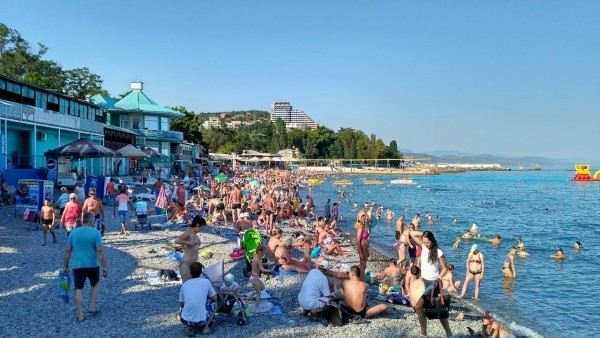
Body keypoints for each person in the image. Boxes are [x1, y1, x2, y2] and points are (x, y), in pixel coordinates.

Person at [63, 212, 108, 322]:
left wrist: (65, 266)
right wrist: (105, 266)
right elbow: (100, 251)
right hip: (92, 265)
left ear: (83, 220)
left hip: (77, 265)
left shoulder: (73, 233)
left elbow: (68, 251)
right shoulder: (95, 233)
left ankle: (80, 315)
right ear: (91, 220)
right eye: (93, 219)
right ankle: (92, 307)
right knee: (95, 284)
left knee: (78, 288)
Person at [408, 230, 453, 337]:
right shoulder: (423, 247)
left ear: (432, 241)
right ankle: (444, 334)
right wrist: (423, 234)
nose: (426, 244)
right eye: (424, 242)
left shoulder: (438, 252)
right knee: (437, 310)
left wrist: (440, 277)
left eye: (428, 242)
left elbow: (445, 268)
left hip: (434, 284)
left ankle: (426, 334)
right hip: (424, 282)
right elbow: (412, 234)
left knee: (422, 306)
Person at [179, 262, 217, 336]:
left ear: (190, 272)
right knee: (215, 303)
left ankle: (189, 327)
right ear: (201, 271)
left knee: (186, 304)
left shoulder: (185, 284)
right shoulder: (206, 282)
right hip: (202, 321)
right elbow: (215, 297)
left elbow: (181, 304)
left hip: (185, 320)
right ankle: (205, 328)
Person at [175, 216, 207, 283]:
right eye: (201, 229)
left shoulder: (195, 234)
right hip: (186, 265)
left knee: (193, 286)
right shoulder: (188, 232)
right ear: (197, 225)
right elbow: (177, 240)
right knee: (187, 285)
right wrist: (189, 243)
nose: (201, 231)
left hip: (194, 266)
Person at [249, 246, 273, 312]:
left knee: (263, 287)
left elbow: (257, 264)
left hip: (254, 277)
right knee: (259, 293)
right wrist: (271, 270)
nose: (264, 254)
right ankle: (256, 307)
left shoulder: (255, 256)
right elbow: (262, 269)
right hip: (254, 278)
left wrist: (265, 263)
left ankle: (251, 294)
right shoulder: (258, 259)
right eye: (263, 253)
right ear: (260, 252)